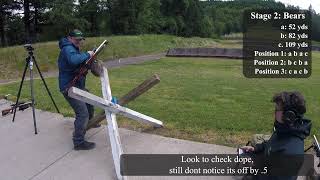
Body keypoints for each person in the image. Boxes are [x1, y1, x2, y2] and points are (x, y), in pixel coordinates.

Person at [241, 91, 311, 180]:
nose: (274, 112)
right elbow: (271, 145)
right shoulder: (285, 130)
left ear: (289, 115)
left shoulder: (291, 154)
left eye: (277, 109)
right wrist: (256, 148)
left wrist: (253, 168)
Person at [58, 29, 96, 150]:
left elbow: (77, 63)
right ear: (69, 38)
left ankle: (88, 124)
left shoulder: (72, 48)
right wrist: (88, 54)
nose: (79, 42)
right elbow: (74, 60)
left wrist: (90, 59)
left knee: (90, 103)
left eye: (81, 40)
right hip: (69, 88)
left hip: (77, 86)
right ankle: (78, 142)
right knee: (82, 114)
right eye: (77, 40)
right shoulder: (67, 48)